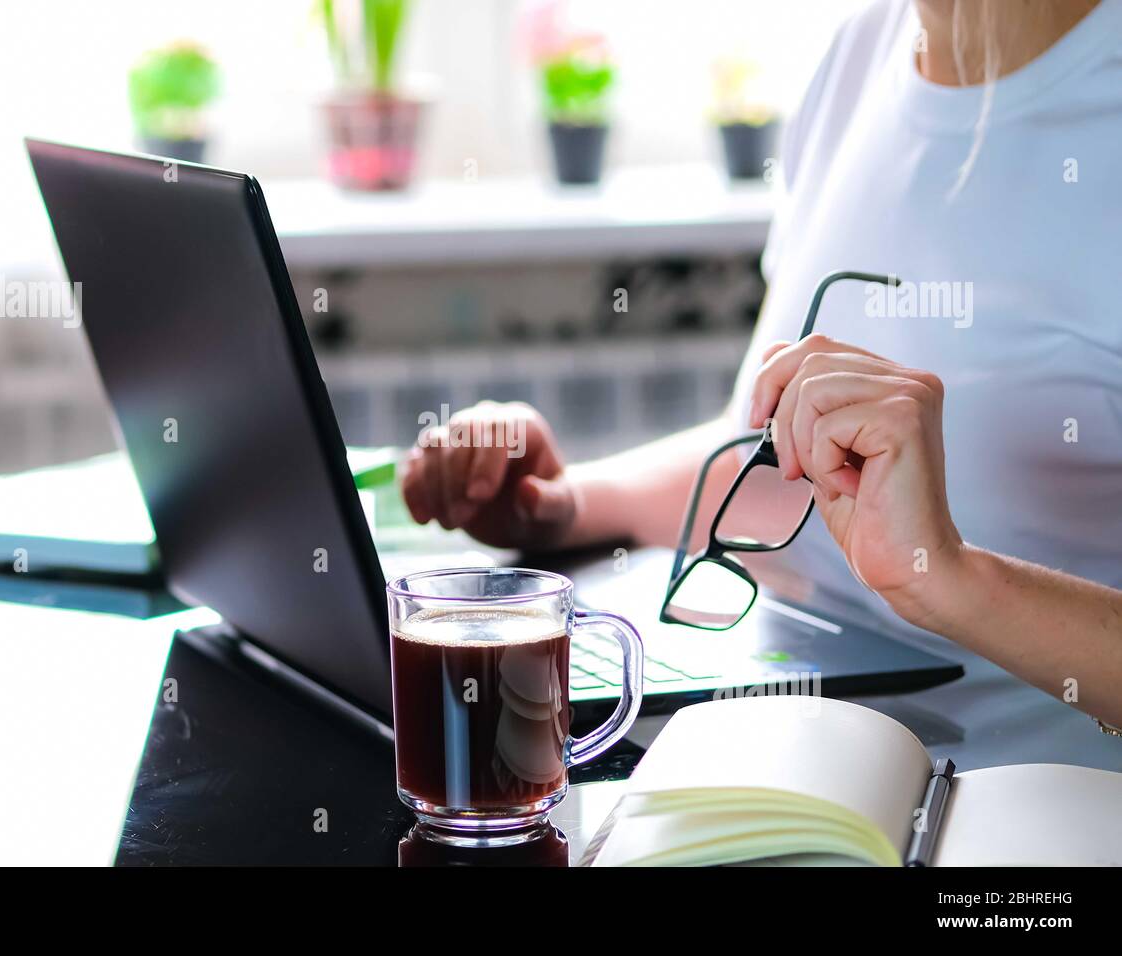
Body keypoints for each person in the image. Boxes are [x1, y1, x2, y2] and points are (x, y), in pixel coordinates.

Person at [400, 0, 1122, 728]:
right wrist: (563, 505)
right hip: (797, 755)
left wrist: (949, 578)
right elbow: (773, 460)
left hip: (1015, 802)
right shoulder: (862, 52)